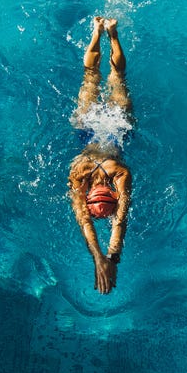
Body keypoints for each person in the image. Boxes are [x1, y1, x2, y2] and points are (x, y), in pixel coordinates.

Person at [68, 17, 133, 295]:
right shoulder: (79, 172)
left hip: (118, 126)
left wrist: (108, 258)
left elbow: (120, 217)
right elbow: (85, 218)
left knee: (116, 78)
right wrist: (103, 256)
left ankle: (111, 33)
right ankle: (101, 32)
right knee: (91, 75)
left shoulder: (120, 173)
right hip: (86, 125)